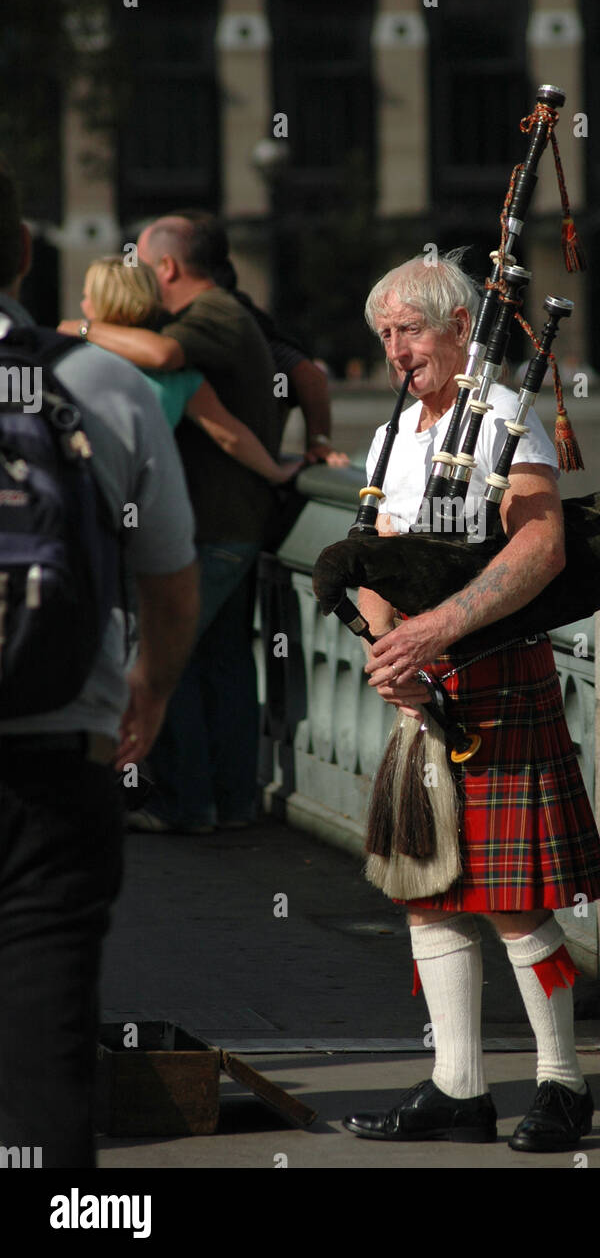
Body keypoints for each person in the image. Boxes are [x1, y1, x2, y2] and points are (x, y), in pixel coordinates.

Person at [341, 254, 600, 1152]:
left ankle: (563, 1088)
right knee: (429, 888)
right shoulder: (391, 438)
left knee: (510, 898)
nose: (396, 350)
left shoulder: (504, 419)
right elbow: (376, 556)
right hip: (421, 684)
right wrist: (392, 651)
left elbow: (541, 547)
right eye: (385, 335)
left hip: (493, 671)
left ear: (461, 328)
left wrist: (440, 631)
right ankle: (458, 1086)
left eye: (410, 330)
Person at [0, 162, 199, 1166]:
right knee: (45, 1042)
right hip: (56, 753)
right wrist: (150, 690)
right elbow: (170, 583)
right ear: (25, 255)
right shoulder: (102, 385)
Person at [59, 215, 282, 833]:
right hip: (225, 525)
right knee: (222, 662)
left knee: (161, 660)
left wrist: (75, 331)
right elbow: (227, 428)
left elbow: (162, 355)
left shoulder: (193, 326)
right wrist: (282, 470)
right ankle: (230, 804)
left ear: (168, 268)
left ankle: (181, 802)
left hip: (190, 532)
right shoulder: (185, 361)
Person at [81, 255, 301, 485]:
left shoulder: (74, 360)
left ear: (101, 300)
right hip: (147, 497)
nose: (82, 304)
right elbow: (230, 436)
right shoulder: (181, 377)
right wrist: (277, 473)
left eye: (86, 296)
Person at [170, 209, 349, 467]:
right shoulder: (223, 309)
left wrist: (318, 444)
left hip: (234, 483)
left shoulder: (228, 315)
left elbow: (309, 376)